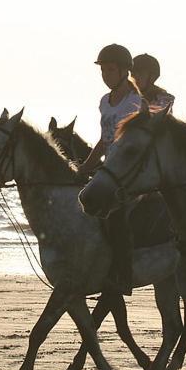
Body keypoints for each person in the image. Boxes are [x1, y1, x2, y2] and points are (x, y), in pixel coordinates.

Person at [77, 43, 142, 294]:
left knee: (117, 215)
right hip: (109, 168)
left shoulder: (134, 102)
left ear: (125, 71)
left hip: (126, 170)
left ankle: (122, 275)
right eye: (102, 70)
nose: (105, 75)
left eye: (110, 70)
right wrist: (85, 167)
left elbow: (128, 143)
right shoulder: (105, 101)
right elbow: (104, 140)